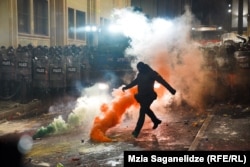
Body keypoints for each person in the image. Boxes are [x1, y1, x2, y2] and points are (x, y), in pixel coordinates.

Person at [122, 62, 176, 138]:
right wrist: (126, 87)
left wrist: (171, 90)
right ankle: (156, 120)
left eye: (140, 68)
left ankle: (136, 131)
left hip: (149, 96)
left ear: (143, 67)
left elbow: (163, 81)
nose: (139, 70)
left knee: (142, 111)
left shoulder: (152, 73)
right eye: (138, 69)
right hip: (141, 97)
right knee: (146, 109)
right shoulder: (140, 74)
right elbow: (134, 82)